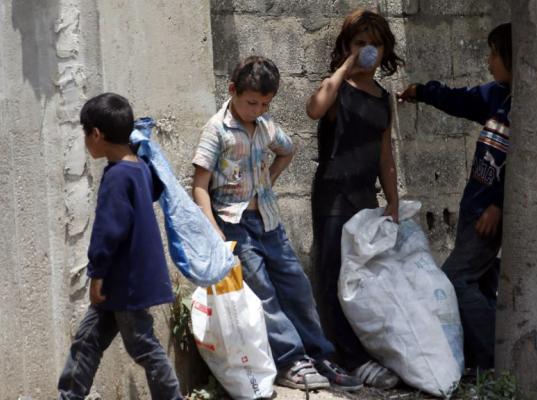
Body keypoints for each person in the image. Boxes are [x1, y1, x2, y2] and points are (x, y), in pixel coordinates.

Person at [191, 56, 362, 391]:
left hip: (269, 221)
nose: (257, 110)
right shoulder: (216, 130)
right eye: (251, 102)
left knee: (297, 286)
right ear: (232, 90)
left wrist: (268, 180)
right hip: (235, 224)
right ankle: (290, 361)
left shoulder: (265, 125)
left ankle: (320, 356)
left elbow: (288, 149)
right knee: (264, 294)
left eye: (265, 104)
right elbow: (199, 186)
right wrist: (214, 230)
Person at [398, 22, 511, 371]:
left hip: (488, 215)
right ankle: (484, 358)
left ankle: (494, 360)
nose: (489, 60)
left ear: (513, 57)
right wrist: (421, 91)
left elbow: (530, 166)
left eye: (494, 54)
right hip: (474, 209)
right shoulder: (497, 97)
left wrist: (499, 205)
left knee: (455, 280)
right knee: (479, 281)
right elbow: (460, 100)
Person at [57, 93, 182, 399]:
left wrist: (96, 275)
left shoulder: (117, 176)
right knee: (87, 340)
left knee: (143, 346)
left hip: (124, 283)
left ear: (96, 134)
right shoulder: (139, 167)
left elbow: (108, 231)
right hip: (126, 279)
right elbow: (155, 189)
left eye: (85, 134)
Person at [306, 8, 402, 389]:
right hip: (332, 194)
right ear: (347, 46)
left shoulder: (382, 99)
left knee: (361, 279)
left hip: (364, 197)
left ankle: (362, 351)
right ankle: (348, 358)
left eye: (374, 44)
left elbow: (385, 155)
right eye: (360, 43)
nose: (368, 50)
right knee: (331, 273)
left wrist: (392, 201)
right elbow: (314, 108)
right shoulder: (336, 89)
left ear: (384, 50)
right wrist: (347, 66)